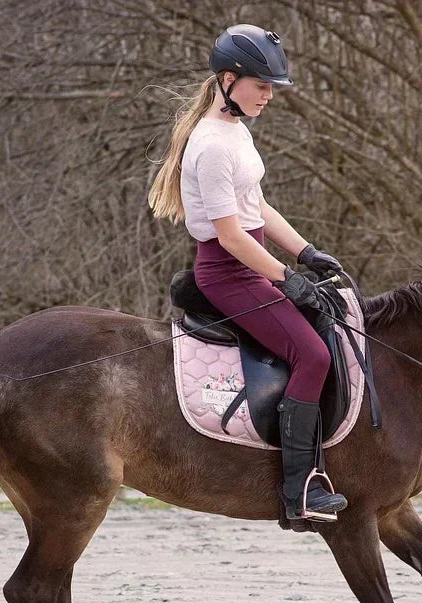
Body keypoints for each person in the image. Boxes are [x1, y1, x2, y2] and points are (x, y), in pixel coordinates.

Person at [148, 24, 348, 524]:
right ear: (229, 79)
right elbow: (232, 237)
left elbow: (256, 205)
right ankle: (300, 489)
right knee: (313, 354)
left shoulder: (235, 133)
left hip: (249, 266)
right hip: (229, 274)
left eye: (271, 88)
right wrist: (287, 277)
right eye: (262, 86)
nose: (268, 97)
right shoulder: (212, 144)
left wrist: (308, 251)